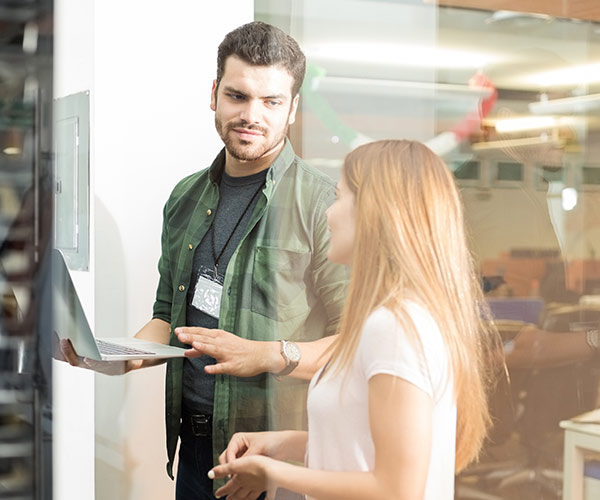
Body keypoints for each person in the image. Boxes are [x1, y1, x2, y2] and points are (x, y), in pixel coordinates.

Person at [59, 21, 348, 500]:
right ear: (214, 93)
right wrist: (118, 359)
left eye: (272, 101)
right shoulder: (185, 198)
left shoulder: (324, 206)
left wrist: (268, 355)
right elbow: (164, 318)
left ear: (293, 109)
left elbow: (353, 344)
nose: (251, 114)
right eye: (237, 96)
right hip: (194, 451)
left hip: (278, 458)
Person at [198, 140, 499, 500]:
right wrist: (286, 445)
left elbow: (396, 489)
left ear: (374, 211)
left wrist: (276, 474)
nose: (328, 213)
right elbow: (366, 447)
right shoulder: (397, 318)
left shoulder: (394, 327)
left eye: (340, 198)